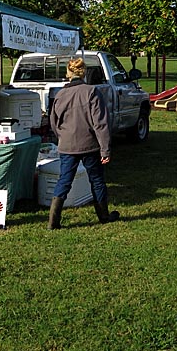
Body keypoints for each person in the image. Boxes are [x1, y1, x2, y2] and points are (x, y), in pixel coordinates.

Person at [48, 57, 119, 229]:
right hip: (89, 145)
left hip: (67, 145)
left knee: (64, 181)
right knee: (96, 180)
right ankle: (103, 216)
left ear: (68, 73)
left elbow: (53, 122)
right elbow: (100, 124)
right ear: (84, 72)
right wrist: (105, 150)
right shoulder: (92, 92)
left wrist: (63, 138)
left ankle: (53, 222)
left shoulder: (60, 94)